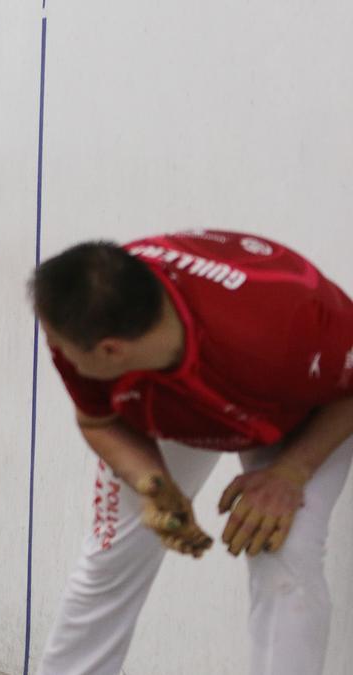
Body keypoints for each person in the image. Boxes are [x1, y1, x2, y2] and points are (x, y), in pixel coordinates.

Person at [31, 230, 353, 675]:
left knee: (287, 553)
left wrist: (291, 472)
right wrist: (152, 485)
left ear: (110, 350)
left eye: (64, 349)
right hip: (162, 405)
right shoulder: (79, 318)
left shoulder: (288, 327)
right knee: (112, 554)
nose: (57, 355)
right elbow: (98, 421)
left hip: (293, 410)